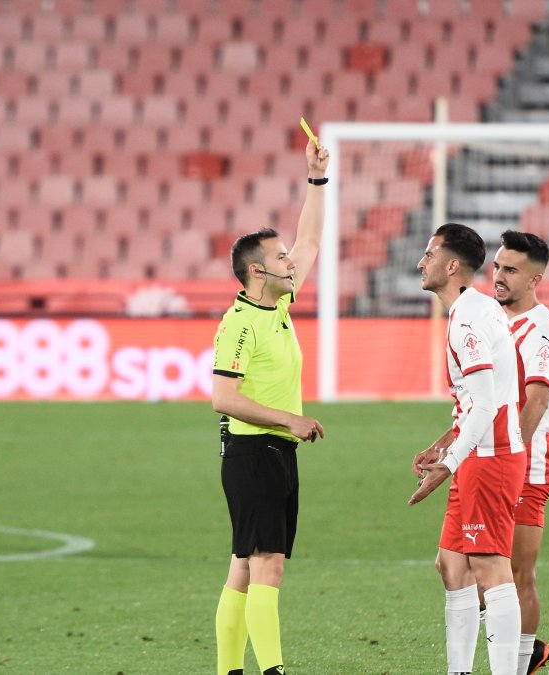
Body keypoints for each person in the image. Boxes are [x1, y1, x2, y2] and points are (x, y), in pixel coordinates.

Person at [210, 138, 329, 675]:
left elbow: (311, 239)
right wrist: (290, 419)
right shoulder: (239, 324)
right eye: (280, 257)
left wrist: (316, 180)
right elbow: (223, 398)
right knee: (268, 566)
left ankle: (229, 671)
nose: (290, 261)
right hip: (254, 453)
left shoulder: (276, 304)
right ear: (257, 272)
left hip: (273, 453)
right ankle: (272, 671)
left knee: (243, 568)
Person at [409, 223, 526, 675]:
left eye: (430, 254)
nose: (421, 262)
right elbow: (476, 400)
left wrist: (449, 463)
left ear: (452, 265)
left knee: (490, 568)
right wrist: (444, 446)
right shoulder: (474, 309)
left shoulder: (469, 320)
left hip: (490, 457)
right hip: (476, 452)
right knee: (451, 565)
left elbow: (486, 404)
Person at [493, 230, 549, 674]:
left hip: (528, 464)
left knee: (516, 573)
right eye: (497, 266)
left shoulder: (544, 330)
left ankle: (522, 661)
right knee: (463, 567)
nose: (498, 276)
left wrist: (511, 456)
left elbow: (536, 402)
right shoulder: (496, 321)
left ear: (535, 279)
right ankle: (526, 649)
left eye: (510, 270)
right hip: (493, 458)